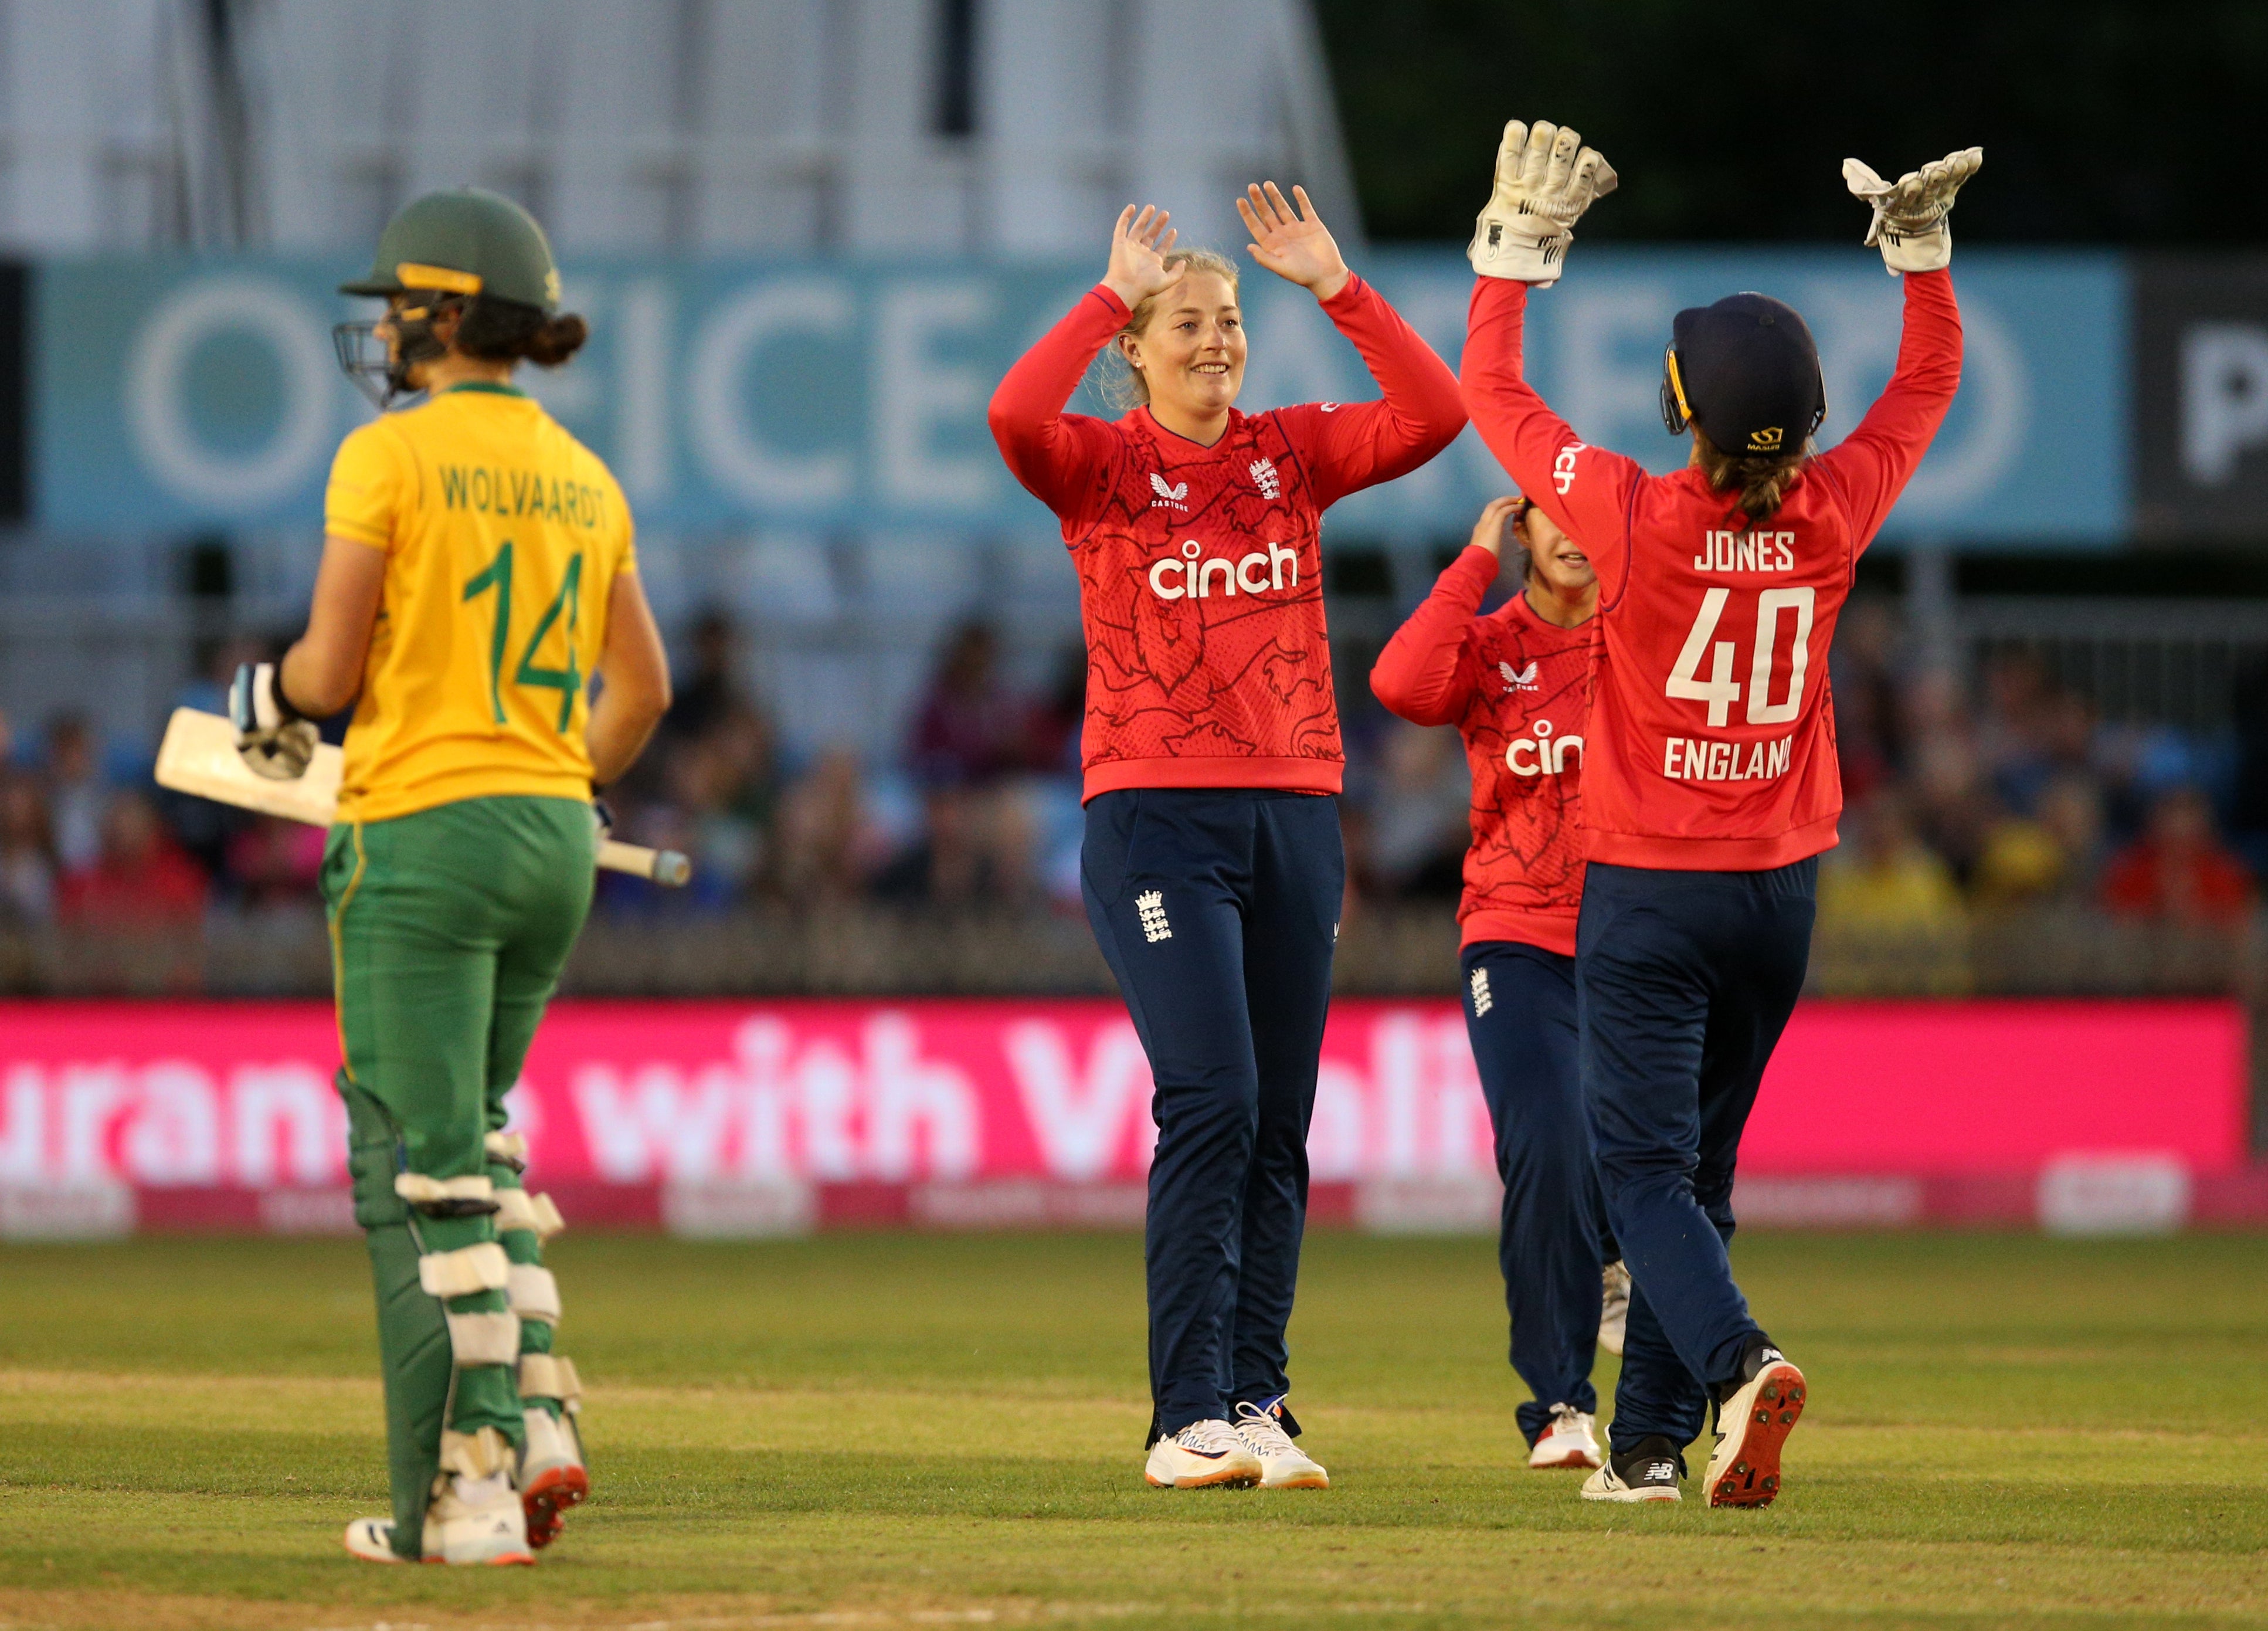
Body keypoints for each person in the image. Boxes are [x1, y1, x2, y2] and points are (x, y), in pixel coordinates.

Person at [1458, 120, 1975, 1506]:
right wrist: (1920, 259)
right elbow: (1928, 380)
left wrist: (1514, 250)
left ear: (1682, 407)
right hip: (1780, 895)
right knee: (1696, 1173)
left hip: (1647, 889)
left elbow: (1491, 388)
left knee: (1636, 1178)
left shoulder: (1630, 515)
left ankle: (1740, 1359)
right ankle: (1642, 1453)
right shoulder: (1838, 506)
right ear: (1802, 418)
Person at [989, 183, 1465, 1491]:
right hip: (1152, 814)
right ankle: (1180, 1414)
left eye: (1230, 318)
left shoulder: (1290, 452)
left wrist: (1334, 284)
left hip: (1295, 812)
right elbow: (1010, 414)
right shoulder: (1097, 466)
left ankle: (1256, 1392)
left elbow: (1435, 415)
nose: (1215, 340)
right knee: (1215, 1097)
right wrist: (1103, 288)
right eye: (1185, 322)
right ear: (1130, 350)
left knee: (1280, 1117)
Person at [230, 187, 671, 1564]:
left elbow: (328, 670)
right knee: (477, 1139)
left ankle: (465, 1493)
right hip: (551, 837)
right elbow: (644, 693)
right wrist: (554, 780)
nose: (383, 332)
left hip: (419, 828)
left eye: (394, 307)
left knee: (418, 1175)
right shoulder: (586, 475)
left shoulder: (391, 456)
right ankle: (536, 1421)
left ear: (434, 313)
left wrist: (267, 698)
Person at [1370, 493, 1628, 1474]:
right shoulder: (1489, 645)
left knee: (1638, 1150)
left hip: (1630, 940)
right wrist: (1470, 560)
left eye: (1589, 517)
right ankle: (1560, 1402)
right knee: (1546, 1139)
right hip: (1514, 935)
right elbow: (1400, 680)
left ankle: (1612, 1261)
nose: (1573, 535)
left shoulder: (1640, 637)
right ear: (1523, 532)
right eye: (1551, 516)